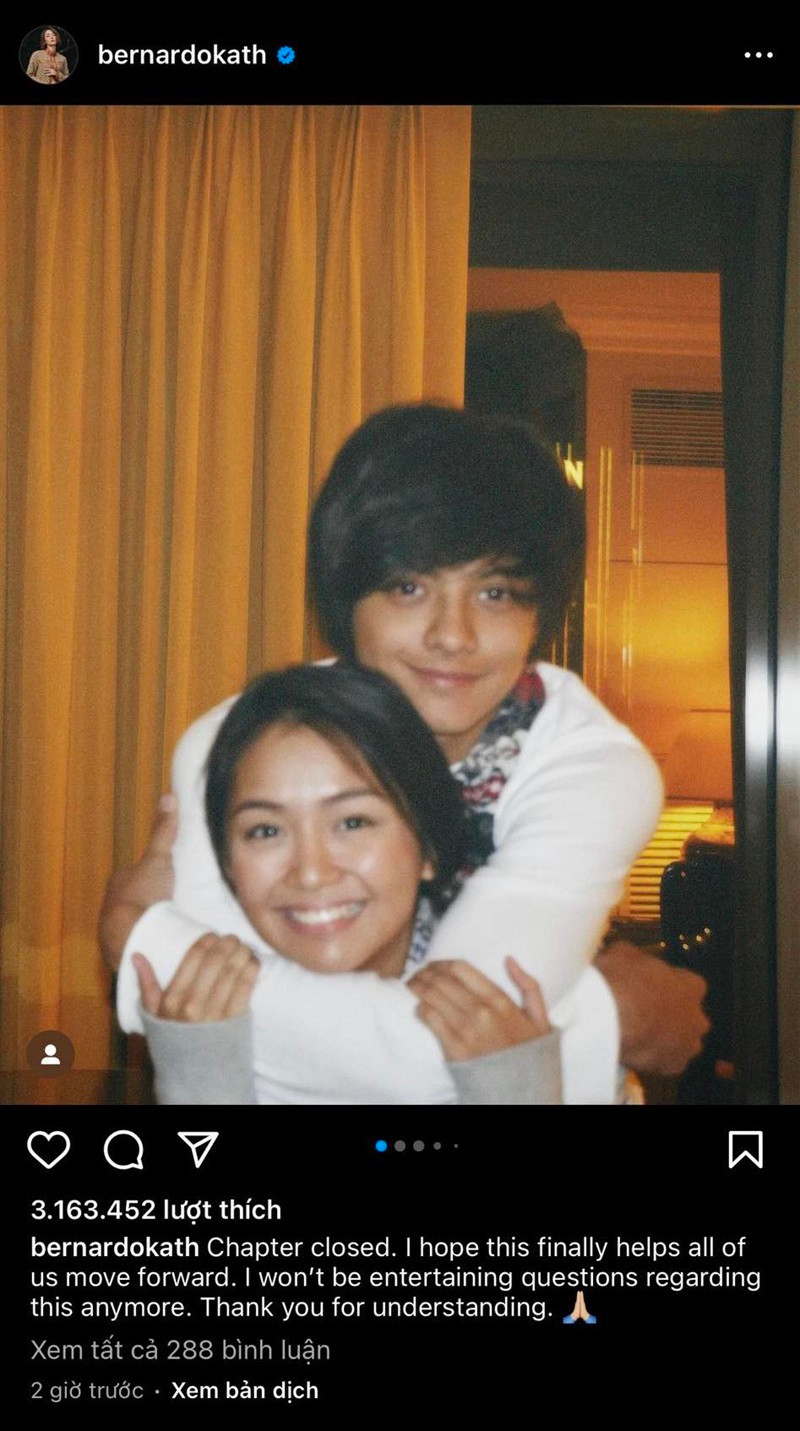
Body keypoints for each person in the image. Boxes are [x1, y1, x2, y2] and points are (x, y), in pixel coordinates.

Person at [105, 404, 709, 1103]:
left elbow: (435, 1056)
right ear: (345, 598)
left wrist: (143, 941)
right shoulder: (238, 746)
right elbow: (432, 1053)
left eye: (495, 592)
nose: (453, 635)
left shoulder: (589, 770)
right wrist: (601, 1019)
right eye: (409, 587)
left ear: (539, 612)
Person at [135, 664, 560, 1104]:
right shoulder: (198, 1009)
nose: (311, 873)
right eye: (266, 830)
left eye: (353, 822)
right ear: (227, 863)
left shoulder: (518, 1004)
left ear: (429, 846)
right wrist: (198, 1079)